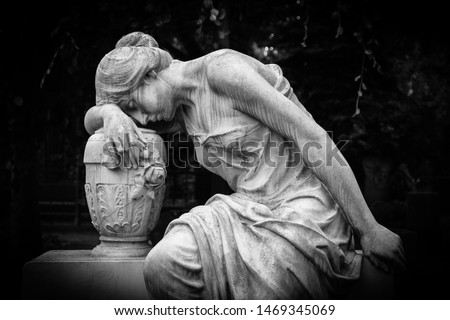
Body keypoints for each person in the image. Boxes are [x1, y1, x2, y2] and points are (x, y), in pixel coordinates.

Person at [85, 32, 406, 299]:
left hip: (302, 208)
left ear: (150, 76)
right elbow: (90, 120)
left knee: (270, 287)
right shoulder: (179, 111)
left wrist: (368, 227)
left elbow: (313, 139)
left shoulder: (222, 71)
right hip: (244, 211)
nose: (139, 119)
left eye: (132, 106)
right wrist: (110, 114)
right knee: (162, 266)